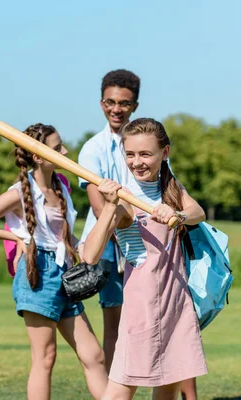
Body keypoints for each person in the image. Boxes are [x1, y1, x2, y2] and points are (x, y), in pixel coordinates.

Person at [0, 123, 108, 400]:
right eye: (58, 149)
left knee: (94, 354)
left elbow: (62, 234)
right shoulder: (19, 191)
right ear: (40, 157)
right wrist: (19, 239)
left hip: (65, 274)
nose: (66, 151)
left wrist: (79, 246)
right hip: (37, 274)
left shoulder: (61, 185)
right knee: (45, 358)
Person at [83, 118, 208, 399]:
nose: (137, 162)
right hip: (143, 307)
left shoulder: (172, 188)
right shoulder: (126, 199)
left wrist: (178, 215)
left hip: (176, 303)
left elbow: (197, 211)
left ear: (165, 153)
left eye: (145, 154)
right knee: (120, 391)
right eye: (130, 154)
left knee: (168, 388)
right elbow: (90, 255)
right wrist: (110, 206)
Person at [77, 69, 140, 373]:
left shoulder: (145, 143)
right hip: (107, 244)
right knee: (114, 320)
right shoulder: (93, 148)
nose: (117, 109)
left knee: (151, 317)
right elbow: (98, 205)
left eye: (124, 103)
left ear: (135, 106)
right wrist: (121, 232)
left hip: (143, 239)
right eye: (110, 102)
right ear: (102, 103)